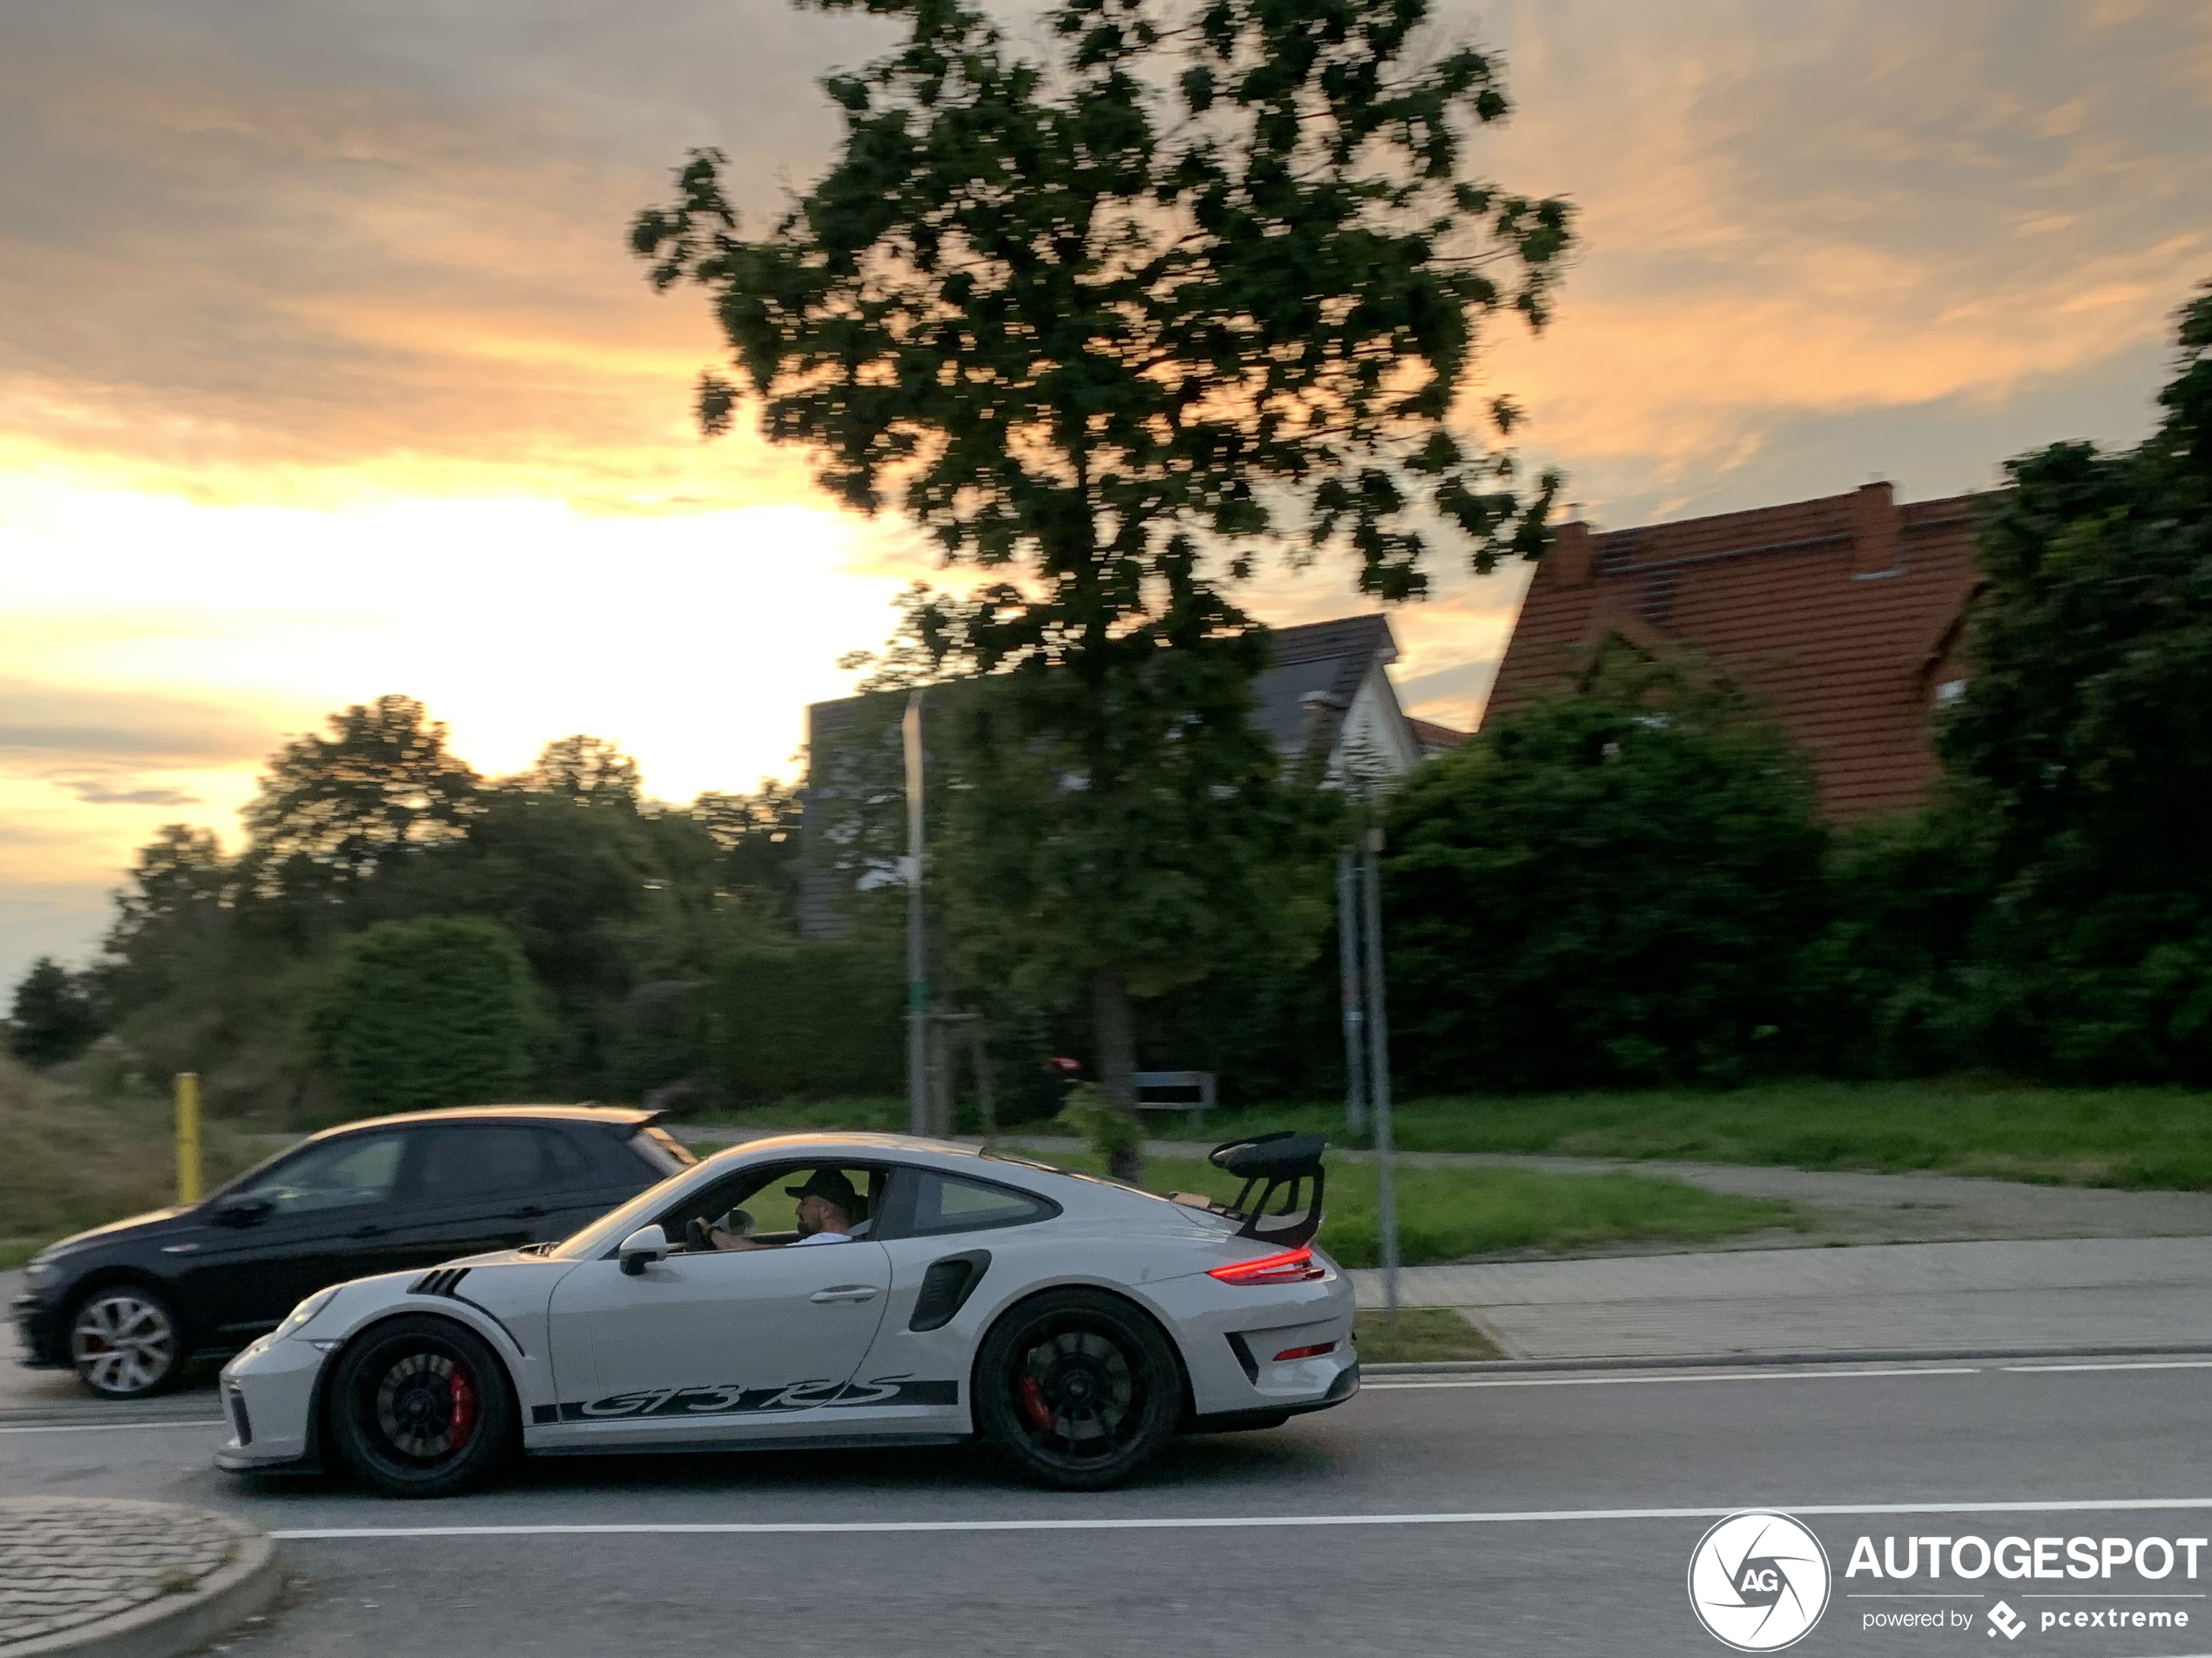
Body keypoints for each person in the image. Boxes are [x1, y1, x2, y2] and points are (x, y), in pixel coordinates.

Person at [698, 1169, 867, 1251]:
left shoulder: (828, 1244)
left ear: (825, 1210)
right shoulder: (844, 1242)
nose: (797, 1210)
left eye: (804, 1203)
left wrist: (711, 1232)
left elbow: (758, 1256)